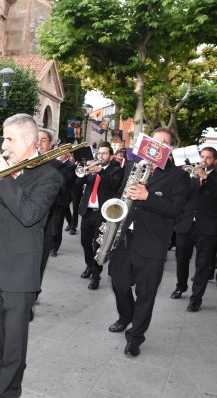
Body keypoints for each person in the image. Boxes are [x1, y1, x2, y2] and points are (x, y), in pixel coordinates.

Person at [0, 114, 63, 398]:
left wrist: (5, 176)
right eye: (4, 138)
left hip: (21, 269)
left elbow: (29, 214)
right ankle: (9, 365)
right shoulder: (2, 172)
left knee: (15, 334)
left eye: (9, 139)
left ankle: (9, 389)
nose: (4, 145)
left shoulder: (50, 175)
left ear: (29, 140)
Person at [107, 127, 189, 357]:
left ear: (170, 148)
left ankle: (135, 337)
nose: (158, 145)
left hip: (152, 244)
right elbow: (121, 197)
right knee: (118, 284)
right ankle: (126, 316)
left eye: (164, 143)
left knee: (146, 294)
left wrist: (148, 197)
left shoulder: (179, 176)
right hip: (124, 238)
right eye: (155, 140)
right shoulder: (134, 165)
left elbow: (176, 210)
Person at [170, 146, 217, 312]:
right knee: (181, 258)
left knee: (202, 264)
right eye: (202, 156)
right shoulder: (190, 175)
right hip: (186, 224)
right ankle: (180, 286)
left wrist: (207, 178)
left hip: (208, 227)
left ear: (215, 161)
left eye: (208, 158)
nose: (204, 160)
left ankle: (196, 298)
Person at [76, 141, 123, 290]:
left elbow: (114, 184)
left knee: (98, 245)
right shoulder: (92, 167)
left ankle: (96, 276)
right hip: (87, 211)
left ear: (111, 155)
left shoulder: (116, 169)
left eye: (104, 153)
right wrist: (84, 170)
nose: (101, 156)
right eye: (99, 153)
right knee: (84, 242)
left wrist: (100, 171)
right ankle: (90, 265)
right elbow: (78, 182)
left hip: (102, 214)